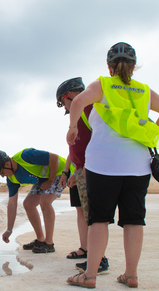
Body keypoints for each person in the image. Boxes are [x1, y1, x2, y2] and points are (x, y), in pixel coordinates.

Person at [65, 42, 159, 289]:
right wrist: (150, 132)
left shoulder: (103, 85)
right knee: (134, 220)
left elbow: (77, 103)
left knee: (99, 220)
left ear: (109, 66)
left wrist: (72, 129)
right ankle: (131, 275)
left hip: (103, 164)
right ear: (134, 67)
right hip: (138, 165)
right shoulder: (144, 91)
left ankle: (90, 275)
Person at [57, 77, 109, 274]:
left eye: (64, 103)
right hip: (79, 170)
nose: (66, 107)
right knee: (81, 210)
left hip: (91, 169)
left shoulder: (89, 109)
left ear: (68, 95)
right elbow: (72, 147)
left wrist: (85, 169)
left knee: (93, 215)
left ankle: (100, 259)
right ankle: (86, 249)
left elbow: (99, 139)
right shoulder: (76, 116)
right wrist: (67, 170)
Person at [0, 148, 67, 253]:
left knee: (45, 201)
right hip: (43, 179)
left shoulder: (25, 156)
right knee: (28, 204)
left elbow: (54, 158)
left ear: (7, 164)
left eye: (2, 173)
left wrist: (50, 180)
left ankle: (49, 244)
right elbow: (12, 204)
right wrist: (9, 230)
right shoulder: (11, 179)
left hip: (59, 172)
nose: (3, 176)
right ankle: (40, 239)